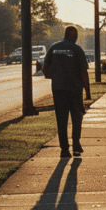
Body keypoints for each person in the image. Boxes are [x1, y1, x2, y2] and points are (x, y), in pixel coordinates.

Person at [42, 26, 92, 158]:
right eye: (76, 36)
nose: (76, 38)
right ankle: (76, 144)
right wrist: (87, 91)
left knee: (61, 119)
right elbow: (83, 72)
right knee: (77, 117)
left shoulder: (54, 48)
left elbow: (45, 66)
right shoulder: (77, 49)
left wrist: (54, 76)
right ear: (73, 36)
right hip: (75, 90)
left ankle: (64, 149)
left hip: (58, 90)